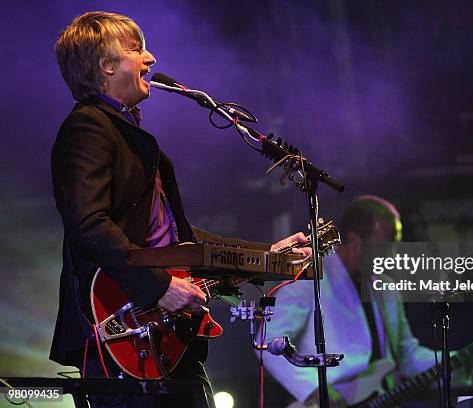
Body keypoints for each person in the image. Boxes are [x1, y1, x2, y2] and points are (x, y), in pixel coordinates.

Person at [51, 11, 309, 408]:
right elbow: (88, 224)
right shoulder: (87, 128)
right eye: (137, 49)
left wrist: (265, 256)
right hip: (122, 334)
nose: (151, 58)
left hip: (162, 340)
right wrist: (159, 287)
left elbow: (179, 240)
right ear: (106, 65)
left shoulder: (127, 135)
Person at [262, 195, 473, 407]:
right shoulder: (310, 276)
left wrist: (463, 357)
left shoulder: (385, 288)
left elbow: (406, 355)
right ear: (356, 241)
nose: (393, 254)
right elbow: (268, 345)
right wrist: (317, 390)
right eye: (386, 244)